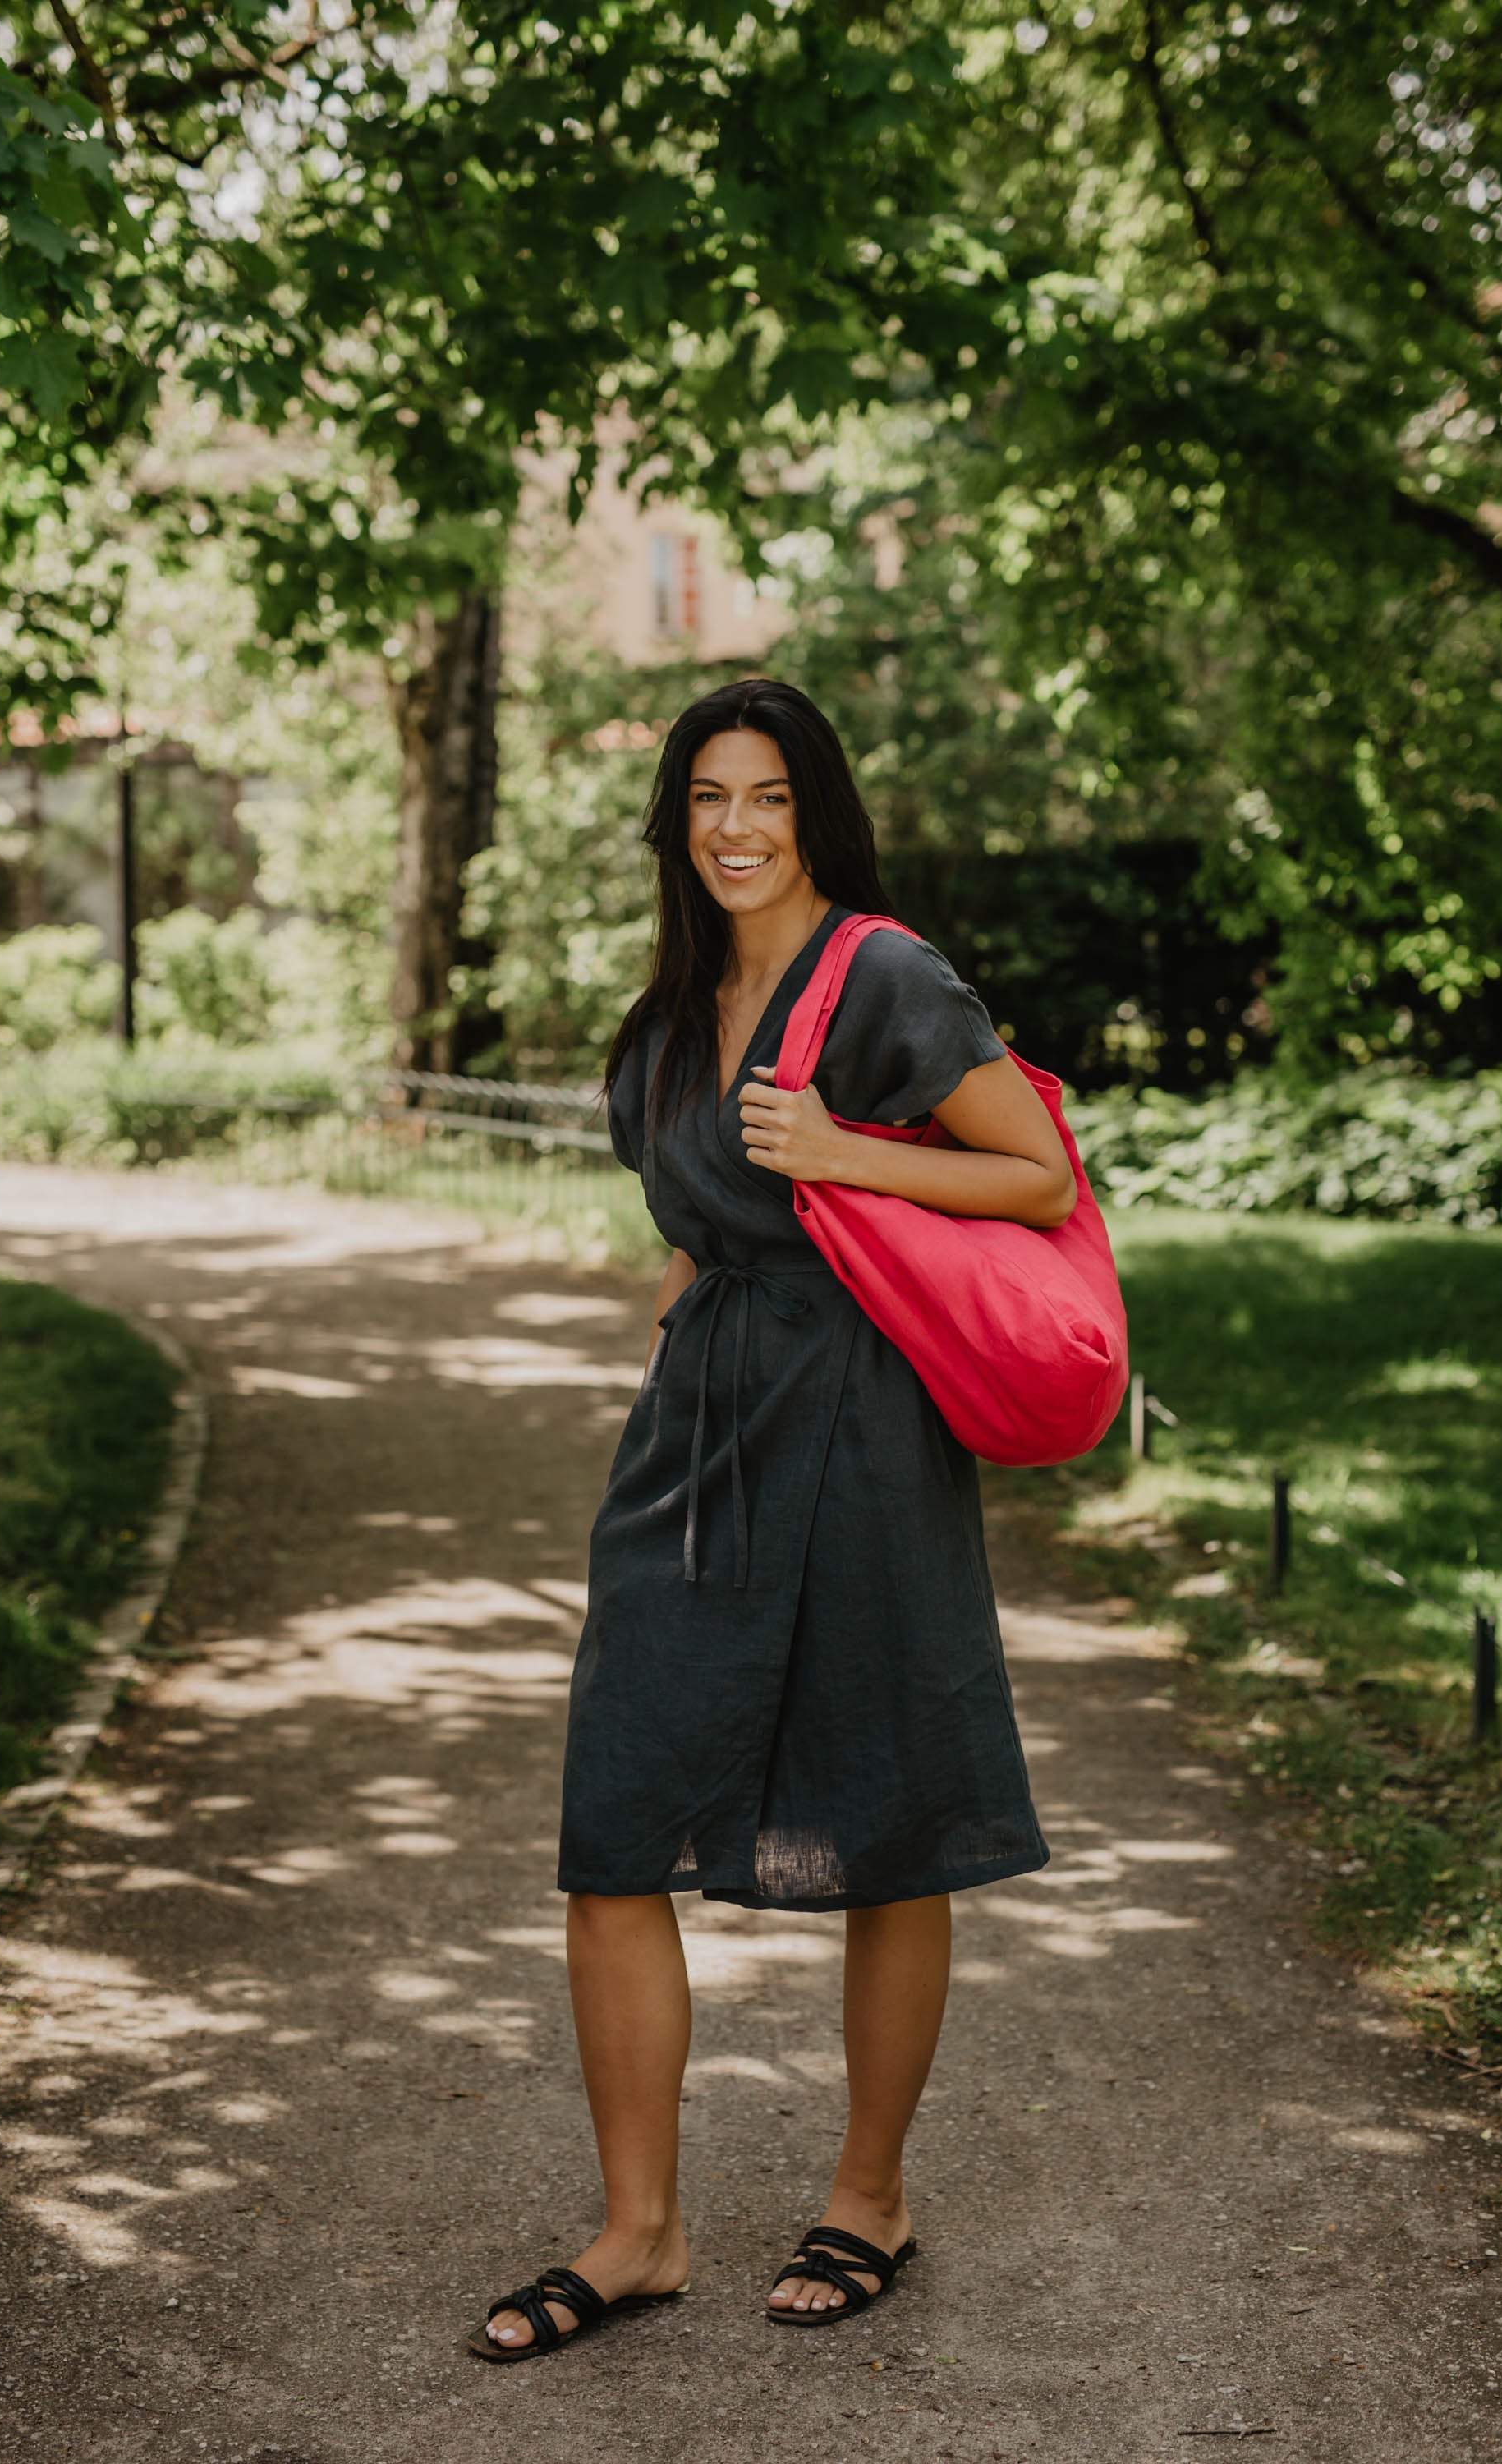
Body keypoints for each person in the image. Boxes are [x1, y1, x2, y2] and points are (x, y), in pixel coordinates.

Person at [468, 678, 1075, 2362]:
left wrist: (843, 1153)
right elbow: (701, 1221)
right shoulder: (673, 1007)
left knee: (887, 1816)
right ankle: (638, 2228)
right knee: (612, 1828)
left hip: (869, 1429)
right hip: (700, 1441)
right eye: (709, 799)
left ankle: (869, 2195)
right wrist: (661, 1355)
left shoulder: (882, 973)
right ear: (678, 821)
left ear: (815, 813)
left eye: (771, 798)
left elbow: (1034, 1174)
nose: (737, 828)